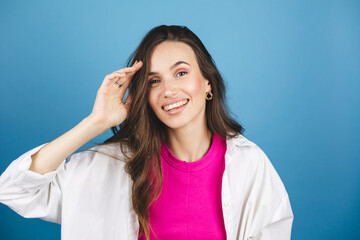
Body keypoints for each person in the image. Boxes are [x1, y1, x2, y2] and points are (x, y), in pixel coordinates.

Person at [0, 25, 294, 240]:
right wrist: (96, 122)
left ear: (208, 83)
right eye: (154, 81)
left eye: (181, 73)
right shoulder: (111, 165)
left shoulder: (249, 164)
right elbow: (14, 190)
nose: (169, 90)